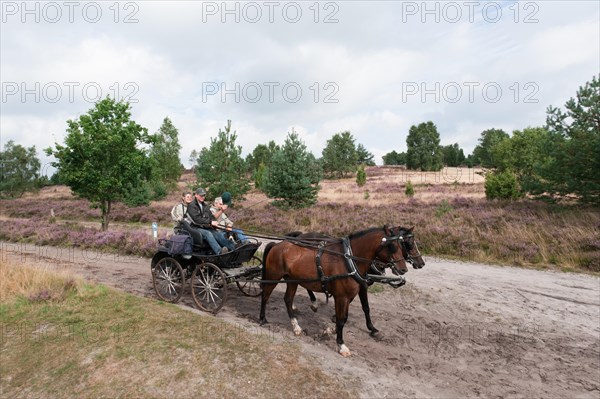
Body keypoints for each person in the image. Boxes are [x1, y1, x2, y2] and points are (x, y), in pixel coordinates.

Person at [184, 187, 235, 255]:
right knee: (208, 234)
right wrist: (210, 222)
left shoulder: (205, 205)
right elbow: (196, 219)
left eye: (204, 195)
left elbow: (211, 216)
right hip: (194, 228)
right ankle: (219, 252)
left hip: (204, 226)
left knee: (217, 233)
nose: (202, 197)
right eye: (201, 195)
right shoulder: (191, 206)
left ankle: (233, 248)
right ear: (196, 195)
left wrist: (214, 222)